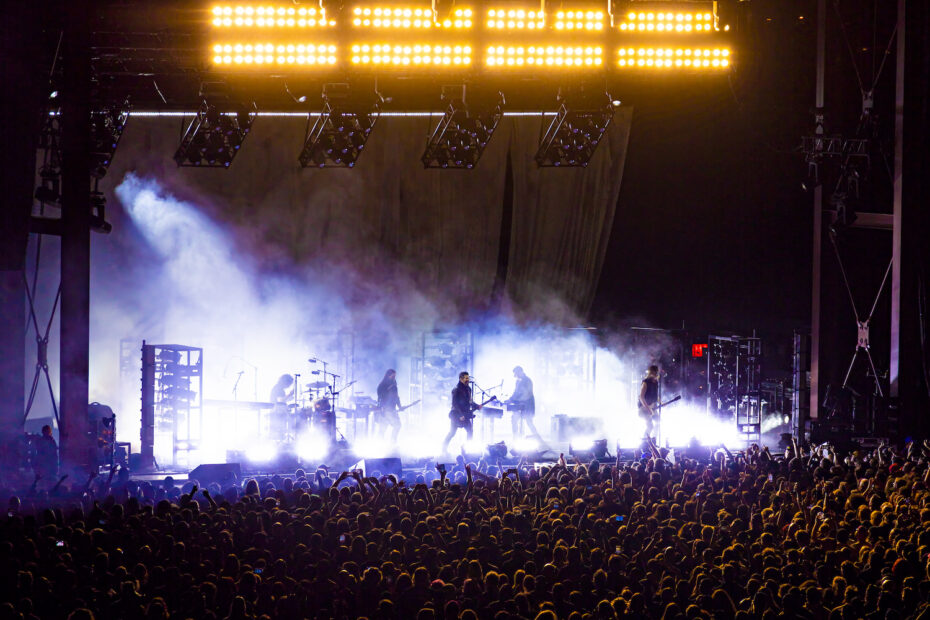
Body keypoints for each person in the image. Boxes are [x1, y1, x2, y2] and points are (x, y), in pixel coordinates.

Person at [442, 372, 481, 453]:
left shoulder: (468, 389)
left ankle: (467, 449)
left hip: (465, 414)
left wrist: (477, 406)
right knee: (452, 433)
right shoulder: (456, 390)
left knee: (470, 431)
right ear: (461, 379)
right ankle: (443, 448)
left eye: (468, 378)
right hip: (456, 415)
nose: (468, 380)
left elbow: (470, 401)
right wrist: (460, 415)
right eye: (466, 378)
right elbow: (455, 404)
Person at [506, 366, 546, 446]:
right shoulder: (518, 382)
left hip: (528, 405)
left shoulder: (528, 381)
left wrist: (516, 400)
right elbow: (515, 392)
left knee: (529, 422)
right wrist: (510, 399)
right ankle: (515, 439)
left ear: (521, 372)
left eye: (516, 374)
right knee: (514, 419)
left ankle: (539, 440)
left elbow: (527, 394)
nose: (515, 376)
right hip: (520, 405)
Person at [376, 369, 402, 443]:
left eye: (395, 376)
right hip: (385, 409)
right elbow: (380, 396)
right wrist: (382, 408)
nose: (394, 377)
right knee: (384, 428)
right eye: (392, 375)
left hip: (392, 409)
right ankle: (380, 444)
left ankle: (392, 443)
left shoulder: (394, 384)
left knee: (397, 426)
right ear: (388, 375)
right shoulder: (382, 385)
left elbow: (396, 397)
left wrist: (400, 406)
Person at [269, 374, 295, 439]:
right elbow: (280, 400)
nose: (288, 386)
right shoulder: (278, 388)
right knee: (278, 431)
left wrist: (289, 398)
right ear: (285, 382)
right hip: (277, 413)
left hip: (277, 412)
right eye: (289, 384)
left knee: (279, 432)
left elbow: (281, 400)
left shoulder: (278, 388)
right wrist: (289, 394)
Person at [638, 364, 660, 439]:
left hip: (652, 407)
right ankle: (644, 442)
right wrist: (648, 409)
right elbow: (641, 397)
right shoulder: (645, 382)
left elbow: (655, 397)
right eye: (655, 372)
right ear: (651, 373)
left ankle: (653, 440)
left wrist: (661, 403)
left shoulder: (656, 383)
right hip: (643, 408)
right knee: (650, 426)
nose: (656, 374)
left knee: (658, 422)